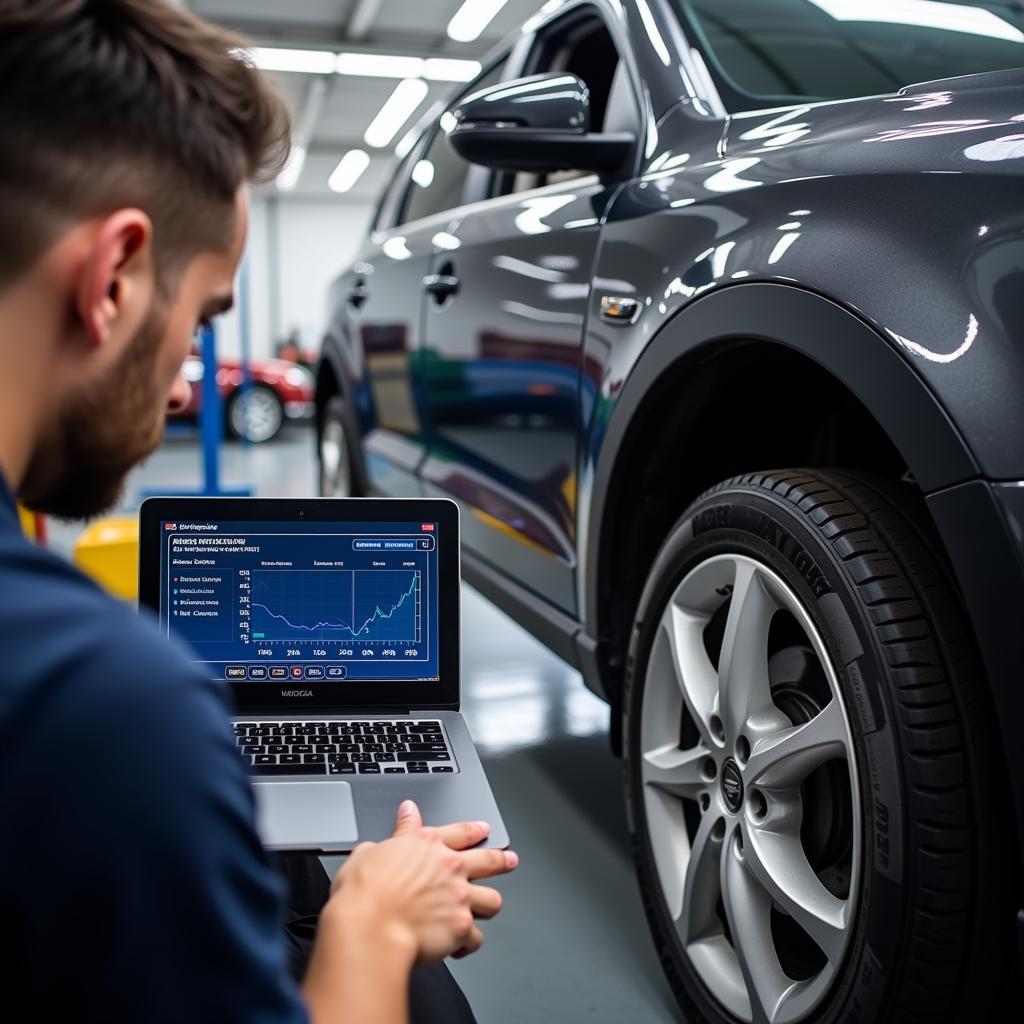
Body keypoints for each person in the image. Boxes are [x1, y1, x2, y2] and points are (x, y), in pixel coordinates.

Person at [0, 2, 518, 1022]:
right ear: (113, 278)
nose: (187, 377)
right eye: (200, 315)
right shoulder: (109, 705)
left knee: (283, 870)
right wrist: (373, 922)